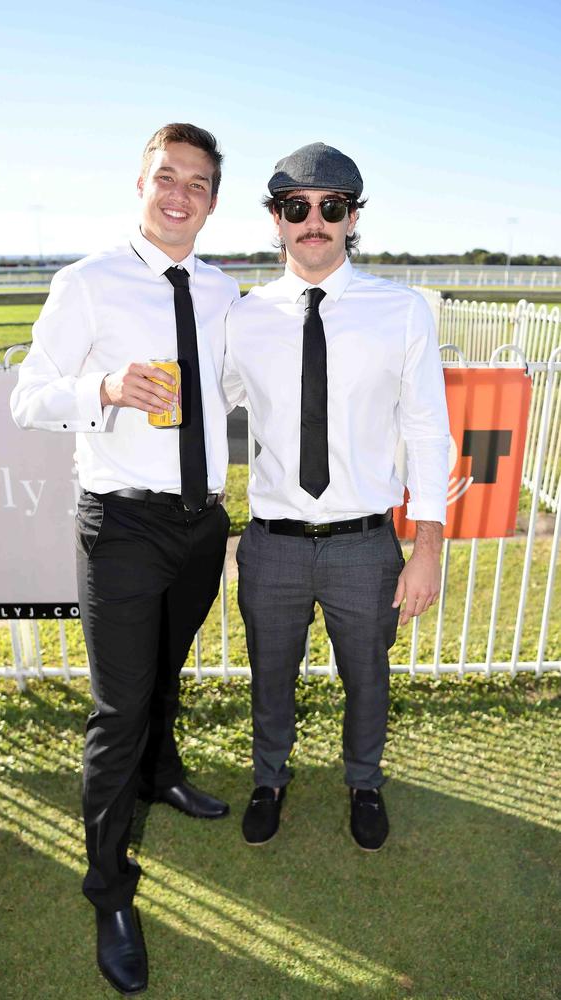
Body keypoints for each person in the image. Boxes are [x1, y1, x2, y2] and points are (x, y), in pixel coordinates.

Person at [11, 122, 239, 996]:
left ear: (213, 201)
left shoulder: (222, 291)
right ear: (139, 185)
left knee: (165, 674)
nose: (179, 194)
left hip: (201, 523)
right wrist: (103, 389)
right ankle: (109, 890)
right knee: (118, 708)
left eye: (198, 182)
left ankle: (166, 773)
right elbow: (28, 397)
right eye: (165, 177)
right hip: (124, 526)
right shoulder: (88, 283)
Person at [223, 142, 449, 853]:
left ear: (353, 219)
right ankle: (269, 779)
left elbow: (429, 433)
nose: (313, 221)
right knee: (269, 676)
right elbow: (200, 409)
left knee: (368, 678)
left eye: (331, 207)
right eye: (297, 208)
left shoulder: (402, 311)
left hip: (364, 544)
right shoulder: (244, 316)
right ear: (276, 219)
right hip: (274, 543)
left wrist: (428, 548)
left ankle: (364, 782)